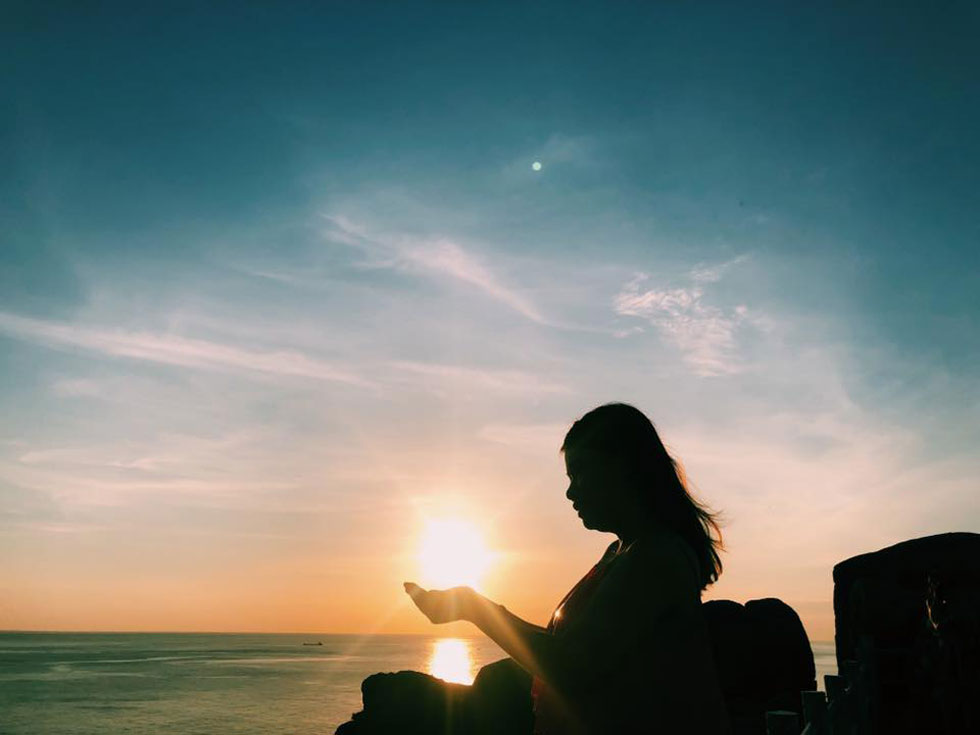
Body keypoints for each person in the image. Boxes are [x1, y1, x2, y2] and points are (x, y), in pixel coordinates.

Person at [404, 403, 732, 734]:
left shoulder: (657, 557)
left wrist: (476, 609)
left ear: (623, 468)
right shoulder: (621, 553)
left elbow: (570, 667)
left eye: (581, 474)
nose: (571, 492)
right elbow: (574, 645)